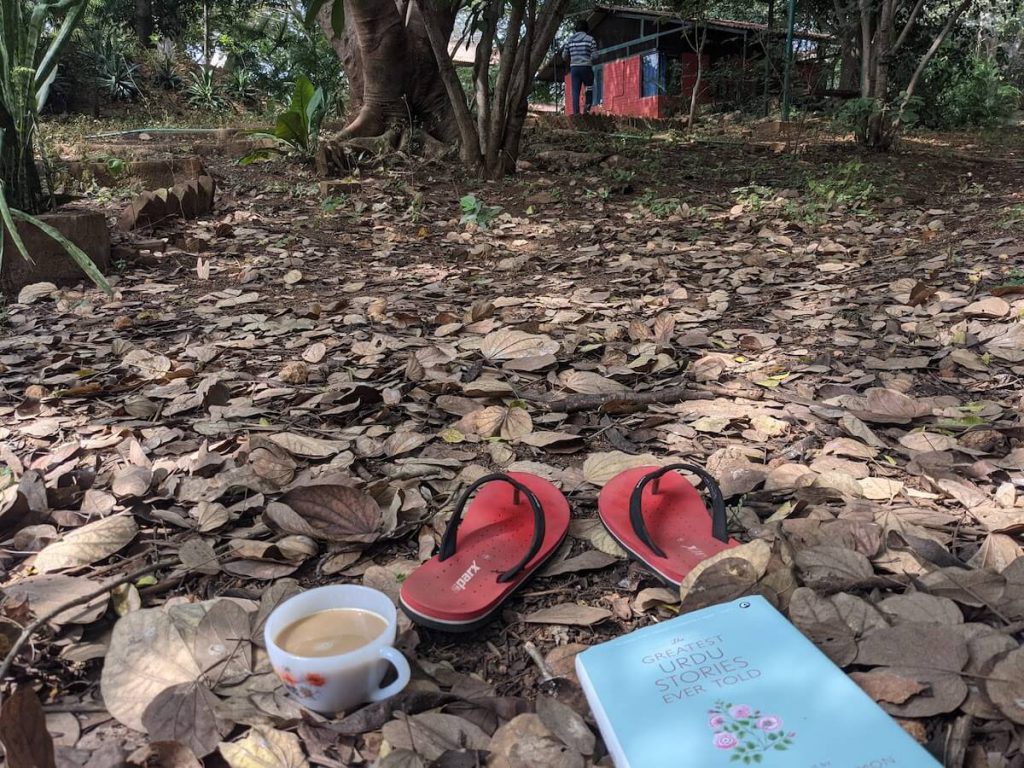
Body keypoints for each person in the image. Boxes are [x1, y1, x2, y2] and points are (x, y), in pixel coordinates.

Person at [564, 19, 597, 115]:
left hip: (574, 68)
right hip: (586, 67)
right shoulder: (590, 39)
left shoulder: (570, 41)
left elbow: (564, 56)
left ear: (576, 29)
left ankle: (576, 114)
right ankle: (586, 111)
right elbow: (595, 55)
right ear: (586, 29)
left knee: (575, 91)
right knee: (589, 88)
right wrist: (588, 58)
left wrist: (572, 57)